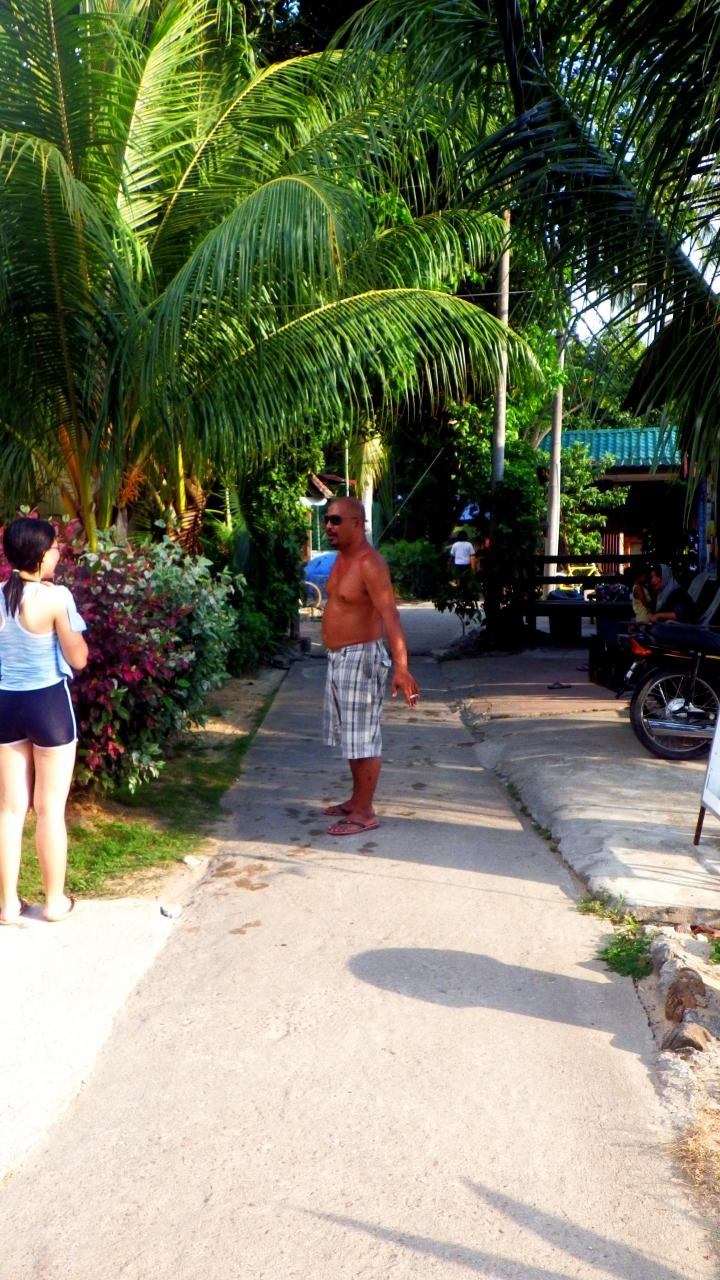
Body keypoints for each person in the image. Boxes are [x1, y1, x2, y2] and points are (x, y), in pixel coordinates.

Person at [0, 518, 88, 924]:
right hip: (48, 706)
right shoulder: (56, 598)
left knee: (9, 810)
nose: (58, 553)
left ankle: (7, 905)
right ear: (39, 555)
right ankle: (54, 902)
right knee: (49, 808)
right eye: (54, 548)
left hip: (6, 706)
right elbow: (78, 658)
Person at [321, 497, 419, 836]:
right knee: (351, 736)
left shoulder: (370, 563)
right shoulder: (341, 559)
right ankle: (356, 800)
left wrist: (401, 667)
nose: (328, 526)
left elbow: (391, 615)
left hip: (361, 658)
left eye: (335, 520)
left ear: (356, 523)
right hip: (338, 658)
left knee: (363, 737)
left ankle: (364, 813)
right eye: (327, 519)